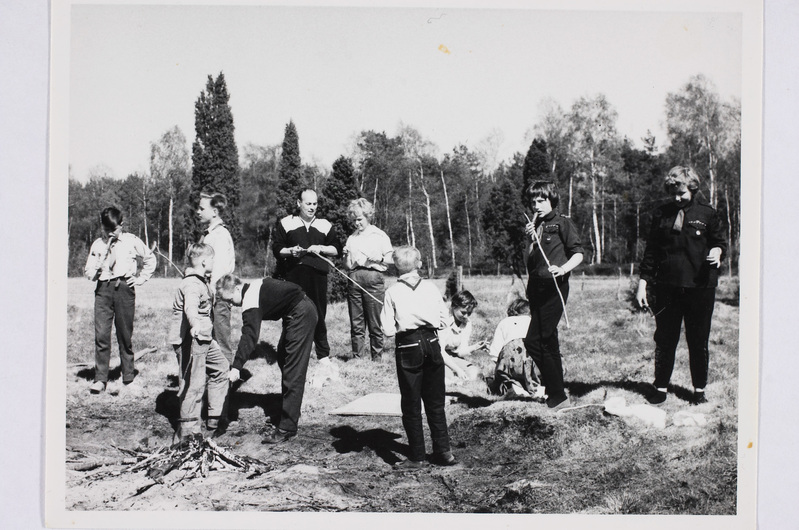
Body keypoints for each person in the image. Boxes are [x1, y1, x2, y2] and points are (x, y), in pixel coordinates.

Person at [636, 166, 726, 405]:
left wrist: (717, 252)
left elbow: (719, 243)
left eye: (682, 193)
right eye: (673, 192)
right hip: (667, 288)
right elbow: (651, 252)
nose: (677, 198)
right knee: (665, 339)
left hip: (700, 288)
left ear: (693, 189)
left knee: (698, 340)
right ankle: (660, 388)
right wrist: (643, 283)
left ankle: (698, 391)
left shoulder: (708, 214)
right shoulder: (661, 214)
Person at [216, 274, 318, 443]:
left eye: (229, 299)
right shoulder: (254, 287)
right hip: (297, 311)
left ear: (236, 289)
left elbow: (250, 336)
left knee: (293, 369)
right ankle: (289, 412)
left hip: (301, 314)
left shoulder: (250, 299)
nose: (231, 304)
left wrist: (236, 367)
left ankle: (287, 428)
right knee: (284, 358)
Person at [380, 246, 456, 468]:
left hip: (408, 345)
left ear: (395, 268)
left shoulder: (392, 292)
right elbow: (443, 320)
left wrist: (398, 320)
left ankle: (417, 456)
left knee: (411, 404)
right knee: (435, 402)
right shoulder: (431, 288)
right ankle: (444, 453)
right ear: (420, 264)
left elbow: (386, 330)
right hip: (432, 343)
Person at [523, 181, 584, 410]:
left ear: (551, 200)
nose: (536, 206)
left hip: (555, 289)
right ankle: (557, 395)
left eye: (541, 201)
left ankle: (556, 391)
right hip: (535, 289)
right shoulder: (534, 225)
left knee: (535, 341)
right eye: (533, 202)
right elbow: (528, 261)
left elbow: (578, 253)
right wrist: (530, 239)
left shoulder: (562, 223)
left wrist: (564, 269)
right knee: (548, 342)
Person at [84, 206, 156, 394]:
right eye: (106, 230)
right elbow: (88, 272)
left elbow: (150, 259)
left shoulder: (131, 241)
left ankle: (128, 377)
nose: (110, 234)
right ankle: (100, 378)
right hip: (103, 290)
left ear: (121, 226)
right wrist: (96, 270)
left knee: (125, 335)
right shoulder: (98, 244)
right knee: (101, 335)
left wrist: (139, 279)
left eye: (114, 230)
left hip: (124, 288)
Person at [168, 243, 229, 438]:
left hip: (204, 339)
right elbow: (191, 308)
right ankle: (189, 433)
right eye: (211, 259)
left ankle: (214, 418)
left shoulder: (200, 281)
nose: (213, 262)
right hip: (191, 338)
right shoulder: (192, 284)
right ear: (204, 261)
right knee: (193, 384)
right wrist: (194, 323)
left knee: (221, 368)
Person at [273, 189, 339, 363]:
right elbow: (277, 249)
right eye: (308, 203)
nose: (312, 207)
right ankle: (288, 353)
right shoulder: (286, 223)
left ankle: (323, 356)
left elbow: (336, 248)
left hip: (318, 276)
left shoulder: (325, 224)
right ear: (298, 203)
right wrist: (290, 251)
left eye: (315, 204)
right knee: (292, 314)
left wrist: (321, 248)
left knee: (318, 314)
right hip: (294, 275)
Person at [343, 198, 394, 361]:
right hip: (354, 278)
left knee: (374, 321)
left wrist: (378, 259)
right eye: (354, 220)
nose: (356, 223)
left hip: (373, 278)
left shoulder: (379, 235)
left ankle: (376, 358)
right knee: (356, 322)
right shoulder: (352, 238)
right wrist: (345, 256)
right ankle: (357, 358)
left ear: (368, 216)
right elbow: (348, 266)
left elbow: (391, 259)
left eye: (359, 219)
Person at [197, 191, 236, 365]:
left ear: (214, 212)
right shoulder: (210, 234)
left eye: (201, 208)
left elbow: (219, 270)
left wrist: (210, 296)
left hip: (218, 295)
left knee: (221, 340)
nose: (198, 212)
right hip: (211, 294)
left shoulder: (219, 235)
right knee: (210, 338)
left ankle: (227, 383)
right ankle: (214, 378)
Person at [486, 298, 543, 399]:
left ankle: (512, 384)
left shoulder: (504, 322)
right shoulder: (534, 322)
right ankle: (535, 386)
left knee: (500, 377)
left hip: (510, 358)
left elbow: (495, 353)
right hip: (532, 361)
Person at [438, 290, 487, 384]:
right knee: (449, 377)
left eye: (469, 313)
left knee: (475, 373)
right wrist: (457, 370)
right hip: (439, 357)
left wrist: (475, 347)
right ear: (453, 306)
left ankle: (455, 378)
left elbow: (460, 352)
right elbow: (440, 352)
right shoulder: (444, 320)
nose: (466, 316)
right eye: (463, 312)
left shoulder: (467, 323)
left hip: (453, 357)